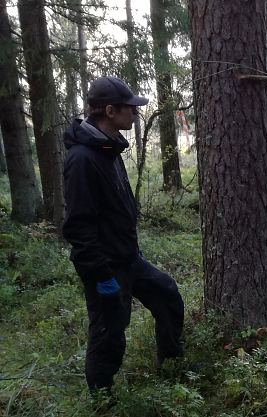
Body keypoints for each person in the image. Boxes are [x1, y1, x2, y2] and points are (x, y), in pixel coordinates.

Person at [62, 76, 184, 393]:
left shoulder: (108, 149)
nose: (135, 113)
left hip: (128, 257)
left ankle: (172, 366)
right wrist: (102, 275)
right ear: (111, 111)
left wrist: (131, 251)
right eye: (130, 108)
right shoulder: (82, 159)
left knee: (167, 294)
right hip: (106, 267)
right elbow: (78, 226)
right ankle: (103, 398)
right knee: (108, 332)